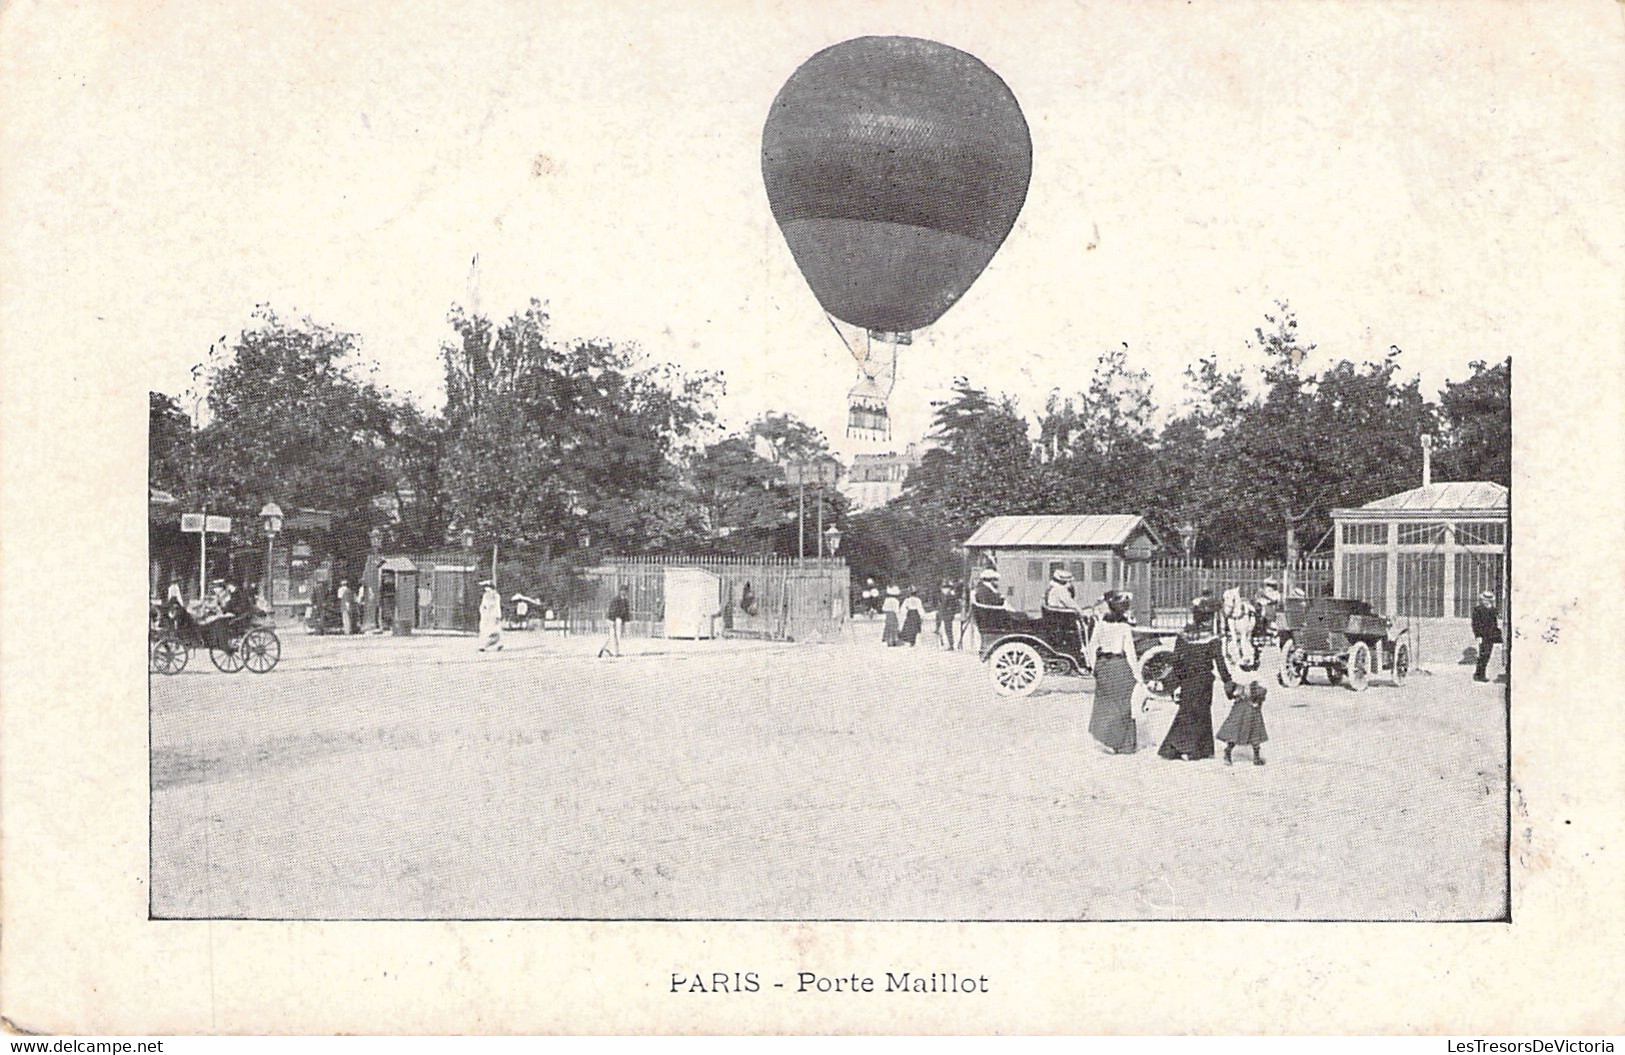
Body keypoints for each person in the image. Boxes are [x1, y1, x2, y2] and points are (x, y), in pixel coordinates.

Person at [1158, 597, 1236, 761]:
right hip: (1204, 680)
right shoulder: (1212, 639)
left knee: (1186, 711)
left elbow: (1176, 661)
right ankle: (1197, 749)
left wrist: (1175, 681)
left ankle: (1175, 746)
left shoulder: (1183, 636)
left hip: (1187, 679)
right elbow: (1220, 663)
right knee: (1201, 713)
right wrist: (1228, 682)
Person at [1087, 590, 1144, 755]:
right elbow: (1130, 653)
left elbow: (1092, 647)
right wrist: (1137, 674)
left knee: (1105, 703)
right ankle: (1123, 743)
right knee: (1123, 704)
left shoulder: (1101, 624)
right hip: (1120, 665)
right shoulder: (1125, 627)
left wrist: (1093, 667)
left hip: (1104, 665)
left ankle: (1106, 738)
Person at [1217, 680, 1270, 766]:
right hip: (1242, 704)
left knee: (1255, 730)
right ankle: (1228, 752)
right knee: (1237, 729)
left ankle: (1256, 756)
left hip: (1252, 703)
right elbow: (1230, 688)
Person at [1043, 567, 1088, 655]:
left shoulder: (1052, 588)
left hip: (1057, 618)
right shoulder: (1060, 590)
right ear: (1064, 582)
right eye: (1069, 581)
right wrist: (1082, 613)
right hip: (1061, 620)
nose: (1070, 584)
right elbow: (1072, 605)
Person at [1471, 590, 1502, 682]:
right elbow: (1475, 624)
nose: (1486, 601)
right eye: (1484, 599)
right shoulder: (1478, 610)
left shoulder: (1492, 609)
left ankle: (1478, 673)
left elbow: (1495, 623)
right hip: (1482, 635)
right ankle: (1480, 675)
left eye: (1488, 599)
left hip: (1491, 636)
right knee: (1483, 655)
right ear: (1482, 600)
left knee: (1487, 655)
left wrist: (1497, 638)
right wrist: (1478, 636)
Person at [599, 585, 631, 658]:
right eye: (623, 590)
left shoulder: (625, 601)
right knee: (614, 635)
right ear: (620, 591)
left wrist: (626, 621)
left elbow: (626, 612)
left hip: (619, 620)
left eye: (626, 591)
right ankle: (610, 651)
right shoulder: (616, 600)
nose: (624, 592)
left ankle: (611, 650)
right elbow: (612, 610)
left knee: (616, 636)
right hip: (614, 619)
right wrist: (613, 620)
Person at [478, 579, 503, 652]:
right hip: (486, 617)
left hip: (493, 616)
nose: (489, 592)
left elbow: (497, 607)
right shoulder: (485, 596)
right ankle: (483, 646)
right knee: (485, 632)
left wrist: (498, 616)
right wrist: (483, 613)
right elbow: (483, 606)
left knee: (496, 632)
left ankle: (497, 644)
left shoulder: (496, 596)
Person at [935, 579, 961, 650]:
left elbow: (945, 605)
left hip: (947, 614)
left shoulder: (949, 595)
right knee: (946, 629)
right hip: (946, 614)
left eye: (945, 587)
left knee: (948, 629)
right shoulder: (949, 595)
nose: (944, 589)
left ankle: (950, 644)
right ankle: (948, 643)